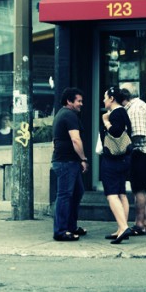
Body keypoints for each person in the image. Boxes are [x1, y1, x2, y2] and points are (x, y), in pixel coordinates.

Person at [121, 82, 146, 236]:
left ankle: (139, 223)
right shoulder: (139, 105)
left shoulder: (135, 109)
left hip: (141, 152)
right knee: (142, 190)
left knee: (138, 189)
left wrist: (123, 145)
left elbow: (138, 134)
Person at [51, 87, 89, 242]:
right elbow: (75, 139)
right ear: (69, 101)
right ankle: (60, 231)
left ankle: (71, 227)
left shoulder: (62, 114)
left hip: (67, 161)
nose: (81, 104)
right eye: (79, 101)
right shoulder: (69, 115)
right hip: (66, 162)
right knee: (65, 195)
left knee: (77, 192)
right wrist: (83, 158)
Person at [100, 86, 134, 244]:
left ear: (112, 98)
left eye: (105, 97)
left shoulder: (116, 113)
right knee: (121, 194)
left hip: (113, 160)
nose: (103, 100)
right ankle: (121, 229)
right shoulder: (124, 112)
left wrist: (106, 122)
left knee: (112, 194)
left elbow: (116, 132)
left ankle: (123, 227)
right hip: (123, 159)